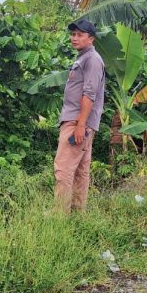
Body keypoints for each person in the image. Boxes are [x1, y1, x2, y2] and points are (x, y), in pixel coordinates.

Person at [53, 19, 105, 213]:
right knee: (80, 171)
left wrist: (80, 125)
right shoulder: (84, 58)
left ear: (91, 38)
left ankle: (59, 215)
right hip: (81, 122)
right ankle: (77, 212)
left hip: (77, 121)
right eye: (73, 34)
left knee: (63, 169)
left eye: (79, 35)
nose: (74, 38)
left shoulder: (92, 60)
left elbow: (89, 93)